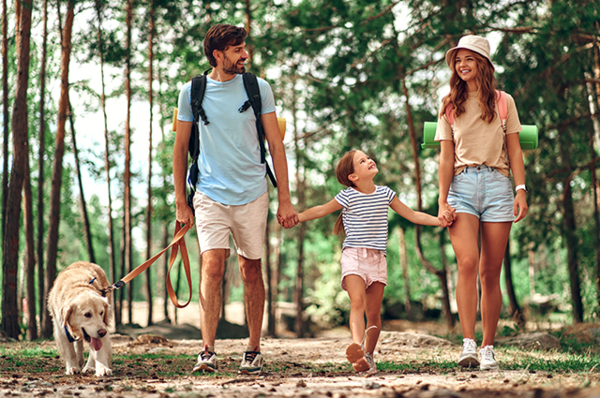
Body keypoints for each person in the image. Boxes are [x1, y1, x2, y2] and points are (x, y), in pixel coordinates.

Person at [173, 24, 298, 375]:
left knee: (250, 268)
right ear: (218, 54)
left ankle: (253, 349)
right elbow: (180, 149)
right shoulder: (192, 92)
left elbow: (275, 145)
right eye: (237, 49)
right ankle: (207, 351)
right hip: (210, 193)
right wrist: (181, 201)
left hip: (253, 193)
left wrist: (284, 200)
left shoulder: (258, 88)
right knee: (212, 266)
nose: (245, 55)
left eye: (244, 48)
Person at [296, 149, 454, 375]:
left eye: (369, 157)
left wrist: (439, 221)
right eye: (362, 161)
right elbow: (321, 210)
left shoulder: (386, 194)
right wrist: (296, 216)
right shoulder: (347, 196)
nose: (370, 160)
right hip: (354, 256)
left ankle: (368, 356)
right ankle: (358, 350)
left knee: (373, 313)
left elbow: (412, 215)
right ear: (353, 177)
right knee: (357, 303)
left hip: (377, 259)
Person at [435, 35, 528, 371]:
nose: (461, 65)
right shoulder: (448, 104)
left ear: (483, 64)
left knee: (491, 272)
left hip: (498, 187)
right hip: (461, 186)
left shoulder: (504, 102)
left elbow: (514, 149)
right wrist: (442, 200)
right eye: (457, 60)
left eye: (468, 59)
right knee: (467, 263)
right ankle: (468, 344)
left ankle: (488, 346)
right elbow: (446, 159)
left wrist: (520, 189)